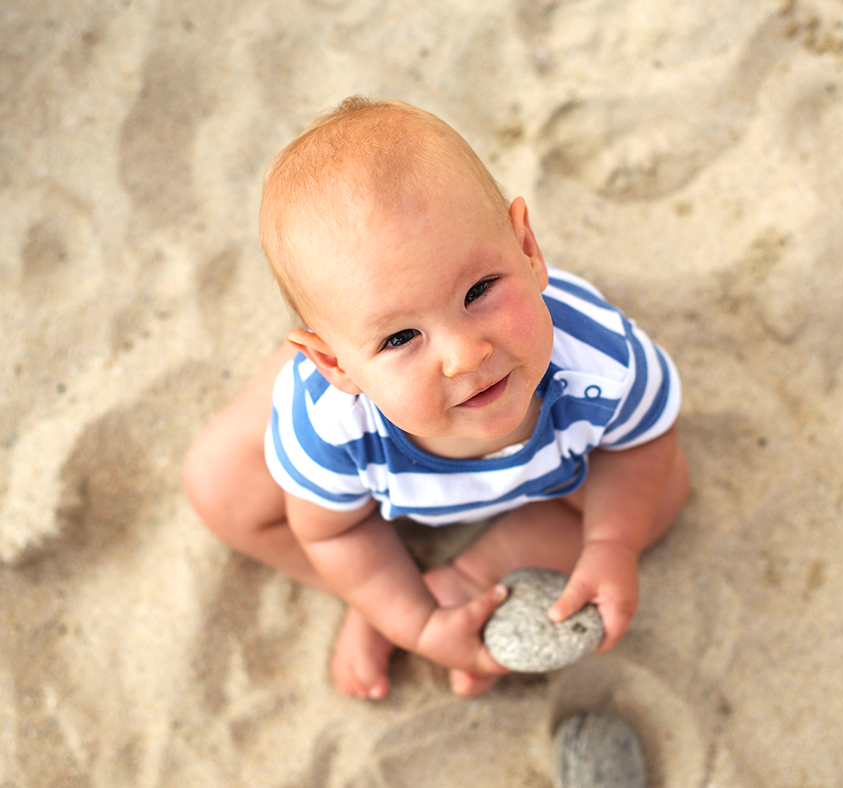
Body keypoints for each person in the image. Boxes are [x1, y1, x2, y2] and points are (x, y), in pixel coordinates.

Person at [183, 96, 689, 702]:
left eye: (480, 289)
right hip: (371, 444)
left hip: (545, 461)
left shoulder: (600, 360)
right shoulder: (331, 425)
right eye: (401, 336)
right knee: (219, 486)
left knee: (662, 493)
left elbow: (643, 444)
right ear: (333, 363)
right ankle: (385, 602)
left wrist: (612, 544)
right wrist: (414, 623)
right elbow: (334, 535)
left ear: (527, 249)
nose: (464, 354)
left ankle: (465, 579)